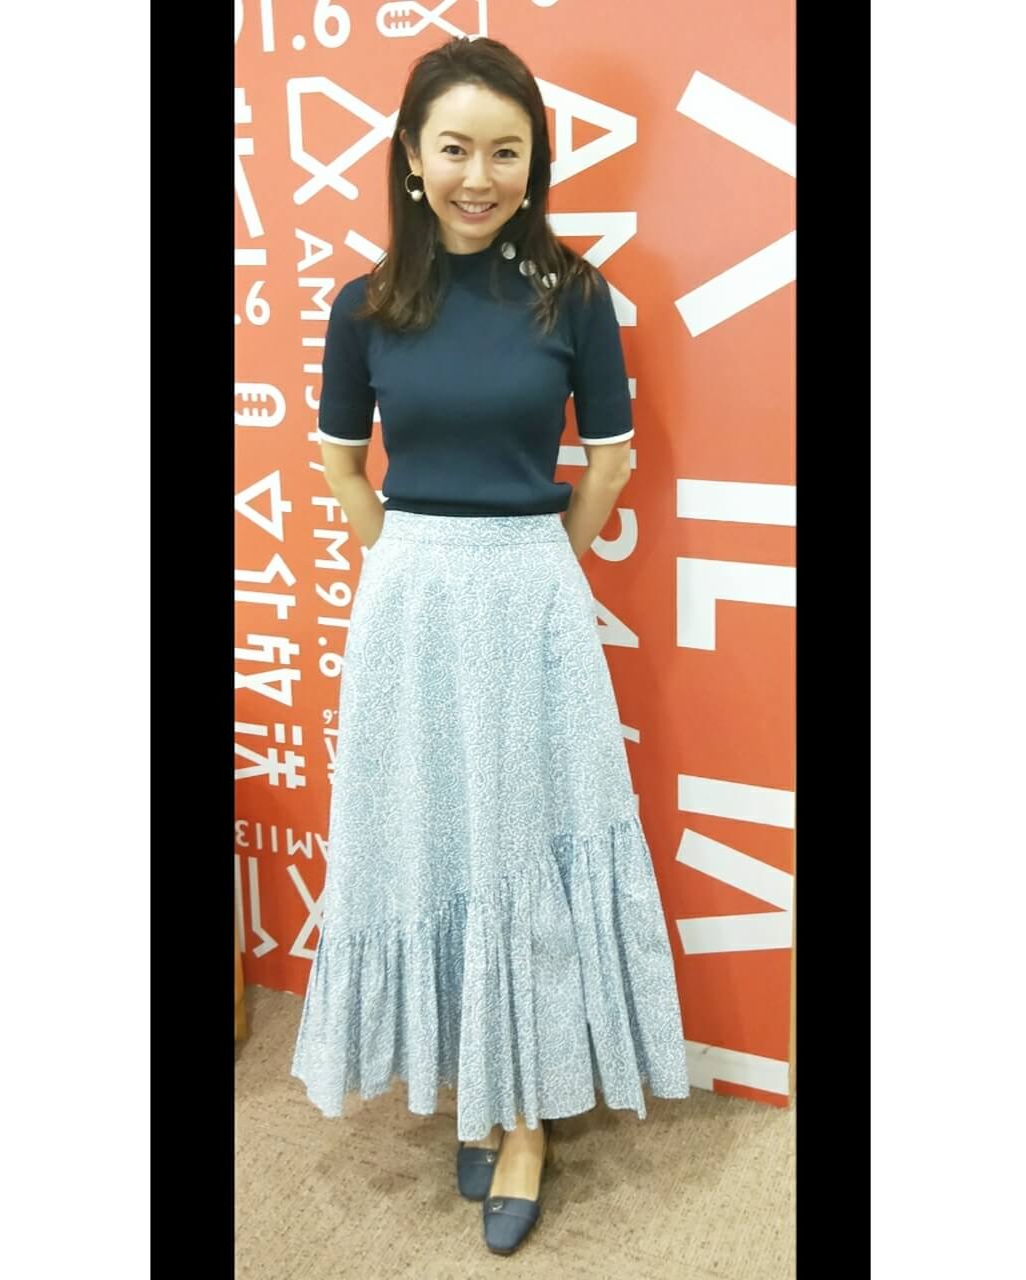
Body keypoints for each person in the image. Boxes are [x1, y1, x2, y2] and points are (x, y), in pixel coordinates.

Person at [291, 35, 690, 1257]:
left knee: (517, 841)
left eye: (504, 151)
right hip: (409, 602)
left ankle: (521, 1119)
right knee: (431, 833)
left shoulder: (573, 295)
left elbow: (608, 460)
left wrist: (535, 561)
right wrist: (409, 560)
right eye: (455, 148)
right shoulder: (364, 306)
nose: (479, 175)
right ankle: (474, 1073)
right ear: (410, 159)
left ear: (533, 162)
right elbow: (340, 463)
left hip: (531, 596)